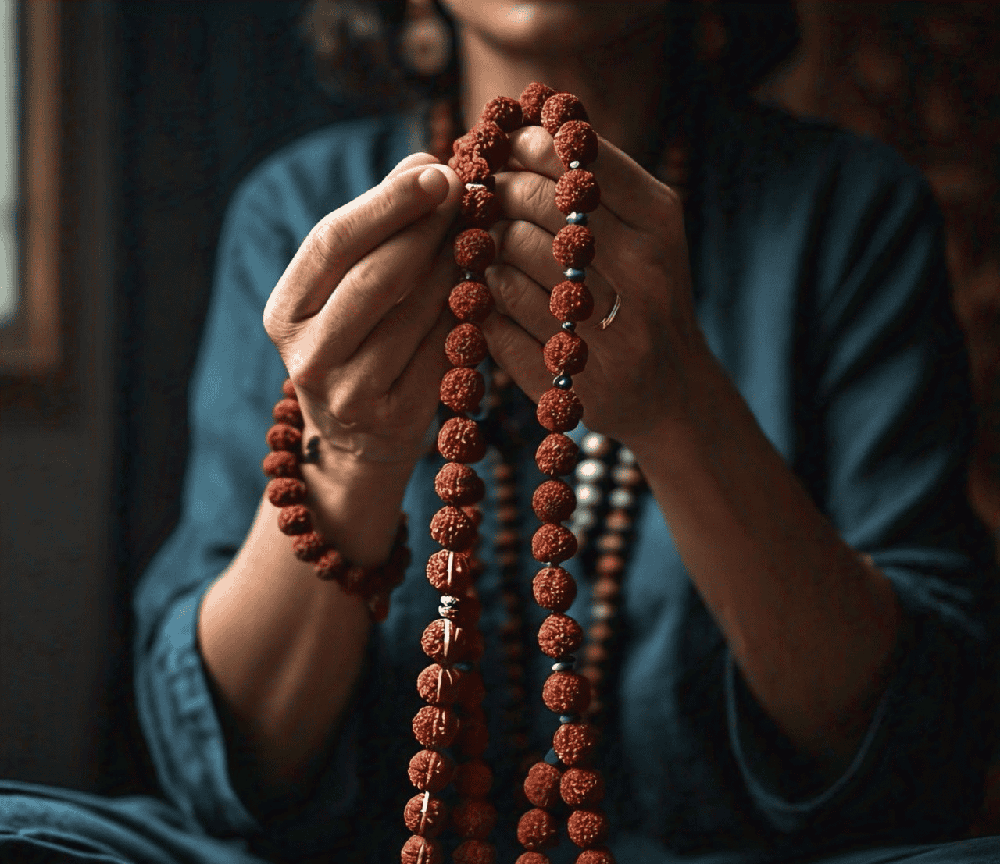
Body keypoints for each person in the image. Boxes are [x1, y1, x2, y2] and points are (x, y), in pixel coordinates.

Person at [2, 2, 999, 863]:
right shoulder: (301, 210)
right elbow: (224, 772)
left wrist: (678, 407)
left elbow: (913, 750)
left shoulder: (846, 210)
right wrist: (350, 453)